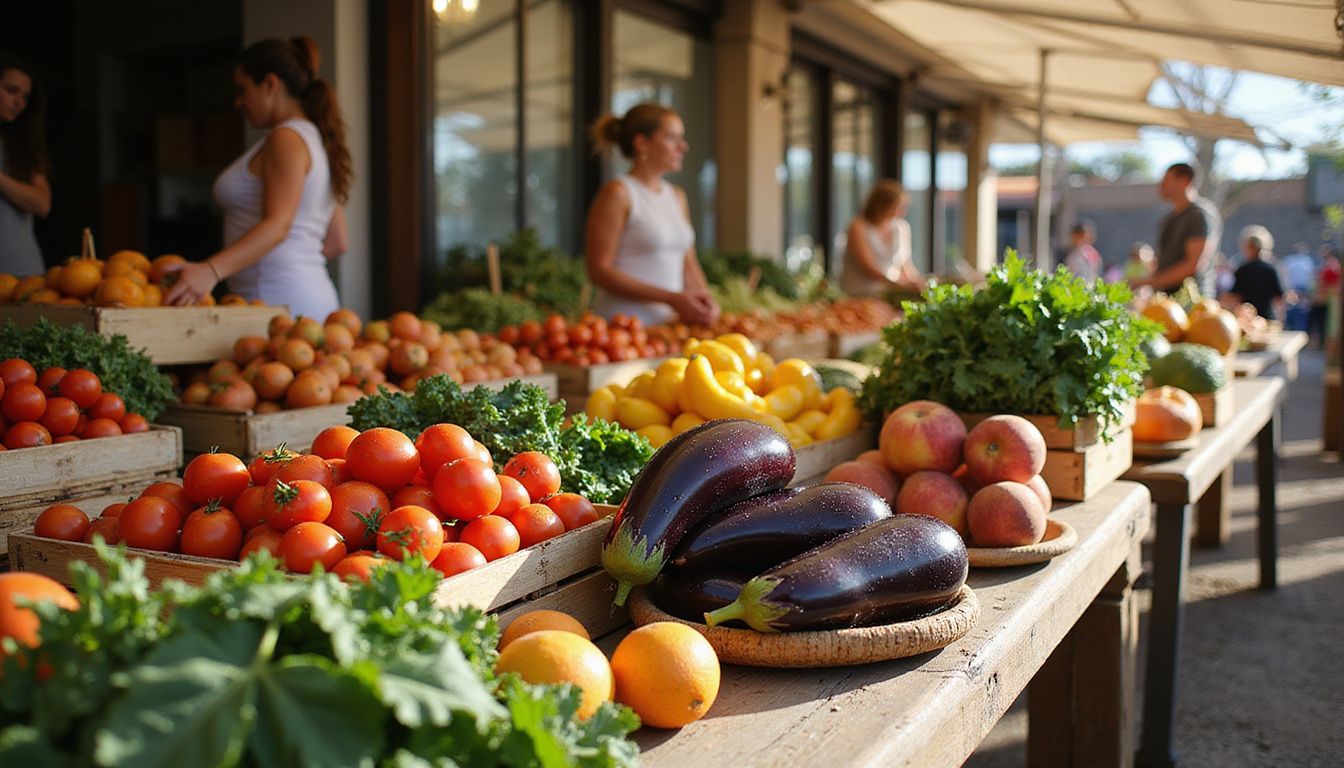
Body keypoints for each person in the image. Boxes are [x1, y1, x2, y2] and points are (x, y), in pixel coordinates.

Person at [165, 37, 350, 319]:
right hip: (307, 299)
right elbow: (338, 241)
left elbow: (278, 225)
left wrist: (210, 271)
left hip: (276, 304)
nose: (238, 102)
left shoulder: (286, 139)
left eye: (243, 90)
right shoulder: (317, 140)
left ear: (270, 84)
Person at [584, 103, 719, 327]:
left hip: (669, 328)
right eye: (672, 138)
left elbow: (688, 262)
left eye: (681, 138)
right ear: (642, 143)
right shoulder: (619, 193)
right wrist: (672, 298)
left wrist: (706, 299)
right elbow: (599, 271)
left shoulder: (677, 196)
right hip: (622, 329)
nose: (682, 146)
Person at [1130, 162, 1222, 295]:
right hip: (1166, 297)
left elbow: (1193, 265)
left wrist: (1146, 282)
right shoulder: (1169, 218)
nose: (1161, 185)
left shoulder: (1198, 215)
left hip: (1191, 300)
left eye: (1166, 179)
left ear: (1184, 180)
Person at [0, 52, 51, 277]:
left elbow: (42, 203)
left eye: (25, 96)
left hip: (22, 273)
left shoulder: (20, 147)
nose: (19, 102)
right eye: (11, 91)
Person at [838, 180, 926, 297]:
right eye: (895, 207)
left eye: (902, 207)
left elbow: (905, 264)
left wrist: (917, 282)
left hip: (889, 294)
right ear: (880, 205)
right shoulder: (858, 227)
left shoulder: (901, 227)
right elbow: (868, 269)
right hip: (859, 295)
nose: (900, 212)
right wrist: (900, 285)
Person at [1224, 225, 1284, 321]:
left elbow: (1235, 296)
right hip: (1268, 317)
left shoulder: (1243, 270)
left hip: (1248, 319)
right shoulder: (1271, 269)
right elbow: (1279, 297)